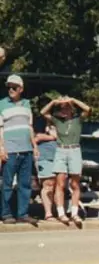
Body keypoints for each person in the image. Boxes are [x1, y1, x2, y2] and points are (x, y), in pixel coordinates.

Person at [42, 96, 92, 225]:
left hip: (74, 150)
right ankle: (61, 213)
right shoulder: (58, 121)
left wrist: (73, 100)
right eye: (62, 108)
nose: (64, 110)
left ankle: (74, 213)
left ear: (71, 110)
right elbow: (43, 112)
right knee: (60, 183)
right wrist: (54, 102)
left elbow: (88, 109)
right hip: (61, 150)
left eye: (66, 108)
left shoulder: (77, 120)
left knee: (75, 184)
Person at [0, 75, 39, 225]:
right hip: (10, 150)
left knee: (25, 184)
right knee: (7, 184)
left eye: (14, 87)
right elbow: (0, 128)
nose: (11, 89)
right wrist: (2, 148)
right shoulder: (2, 104)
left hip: (26, 150)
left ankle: (23, 213)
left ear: (21, 89)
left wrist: (34, 146)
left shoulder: (26, 104)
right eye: (9, 87)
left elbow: (30, 127)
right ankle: (6, 213)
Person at [34, 99, 63, 224]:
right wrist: (52, 137)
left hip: (59, 155)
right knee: (48, 185)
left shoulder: (58, 120)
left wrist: (50, 136)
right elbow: (36, 137)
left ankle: (59, 211)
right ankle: (48, 213)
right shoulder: (37, 121)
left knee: (59, 185)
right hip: (44, 154)